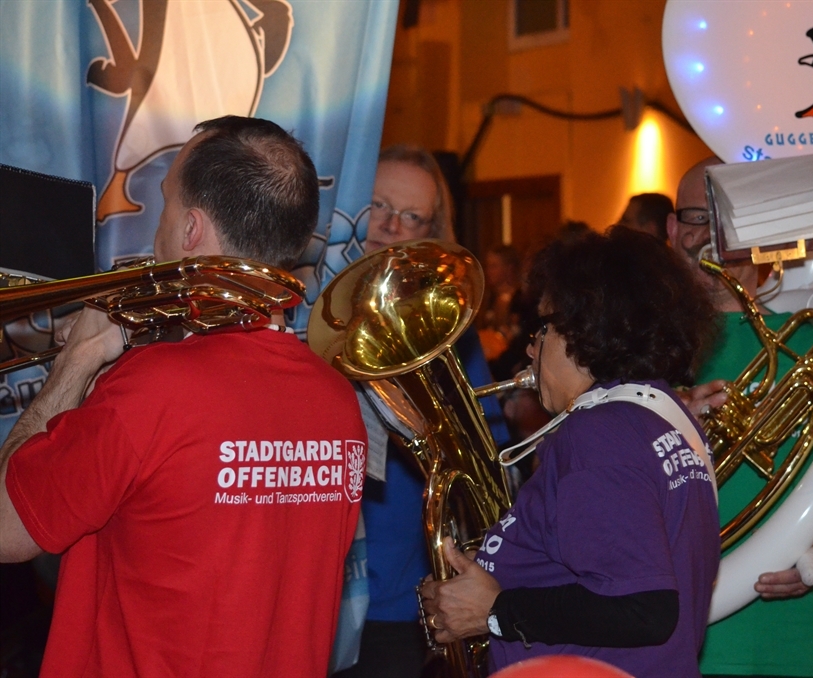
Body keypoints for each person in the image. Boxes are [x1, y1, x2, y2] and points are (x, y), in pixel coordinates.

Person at [0, 116, 367, 677]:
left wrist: (77, 361)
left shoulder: (152, 390)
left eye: (167, 203)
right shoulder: (338, 402)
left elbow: (7, 530)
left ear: (192, 229)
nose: (159, 226)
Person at [419, 226, 720, 677]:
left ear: (584, 327)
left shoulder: (598, 434)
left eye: (542, 328)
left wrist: (495, 610)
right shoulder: (664, 417)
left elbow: (644, 608)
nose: (530, 347)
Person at [669, 156, 813, 677]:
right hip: (663, 647)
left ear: (762, 230)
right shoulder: (634, 350)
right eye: (699, 218)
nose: (715, 236)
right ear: (673, 230)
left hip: (786, 646)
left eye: (732, 218)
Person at [336, 144, 509, 678]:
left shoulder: (449, 325)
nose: (390, 225)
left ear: (431, 231)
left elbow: (487, 455)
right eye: (378, 206)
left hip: (399, 596)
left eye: (412, 216)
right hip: (311, 583)